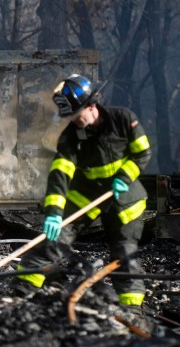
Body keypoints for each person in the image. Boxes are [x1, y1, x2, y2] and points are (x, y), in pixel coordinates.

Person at [15, 74, 152, 308]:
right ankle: (22, 291)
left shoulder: (122, 119)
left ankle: (131, 308)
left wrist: (124, 177)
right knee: (54, 239)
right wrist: (54, 213)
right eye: (71, 118)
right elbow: (60, 175)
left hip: (124, 197)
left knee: (124, 252)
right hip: (87, 194)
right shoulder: (70, 137)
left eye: (77, 116)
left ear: (92, 105)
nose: (75, 122)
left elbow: (142, 153)